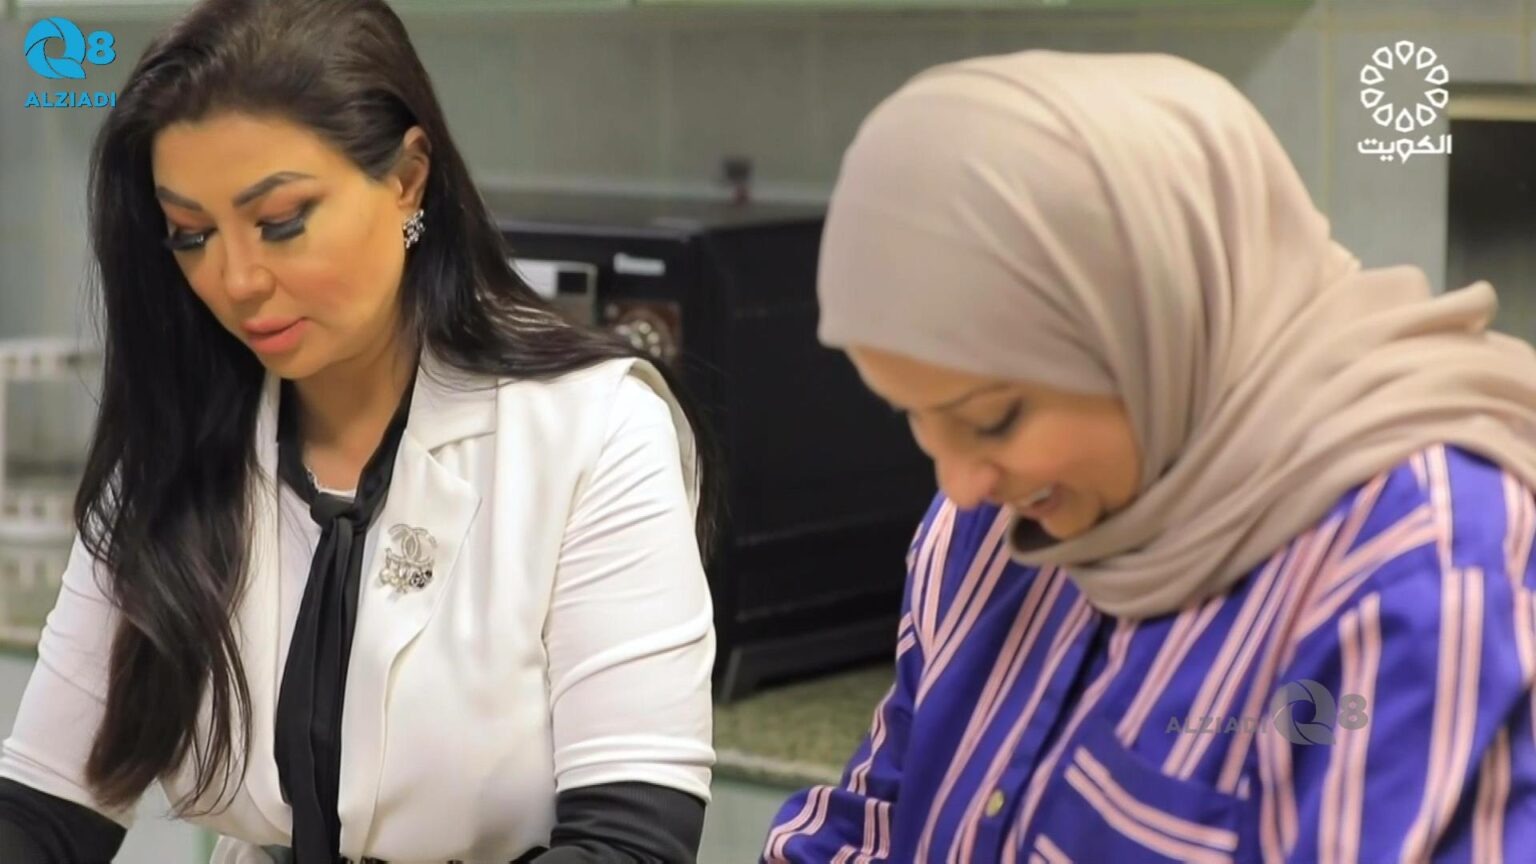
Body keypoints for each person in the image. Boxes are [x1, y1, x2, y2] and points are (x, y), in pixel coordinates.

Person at [762, 49, 1536, 863]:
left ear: (1152, 328)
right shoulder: (992, 523)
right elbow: (874, 823)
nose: (958, 484)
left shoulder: (1417, 566)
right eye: (916, 418)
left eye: (993, 419)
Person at [0, 0, 721, 861]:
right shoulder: (179, 441)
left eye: (281, 221)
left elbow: (632, 845)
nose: (236, 279)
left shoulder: (595, 431)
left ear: (408, 177)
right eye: (191, 235)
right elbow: (43, 810)